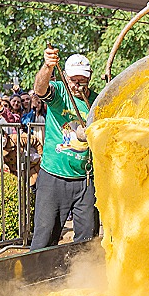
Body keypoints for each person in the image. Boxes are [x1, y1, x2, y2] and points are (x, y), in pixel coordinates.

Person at [30, 48, 99, 250]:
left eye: (82, 80)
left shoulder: (97, 101)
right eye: (73, 80)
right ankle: (38, 279)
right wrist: (47, 67)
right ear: (65, 77)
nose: (77, 85)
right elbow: (40, 89)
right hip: (53, 176)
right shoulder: (59, 91)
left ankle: (81, 277)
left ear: (90, 78)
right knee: (44, 236)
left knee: (88, 239)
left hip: (85, 179)